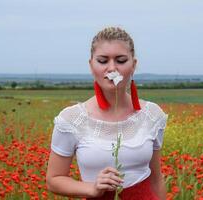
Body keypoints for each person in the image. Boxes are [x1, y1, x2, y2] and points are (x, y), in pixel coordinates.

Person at [46, 26, 169, 200]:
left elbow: (156, 179)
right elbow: (54, 180)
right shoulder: (72, 119)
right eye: (103, 61)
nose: (112, 69)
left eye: (121, 60)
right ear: (91, 66)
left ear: (133, 65)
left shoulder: (152, 115)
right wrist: (92, 188)